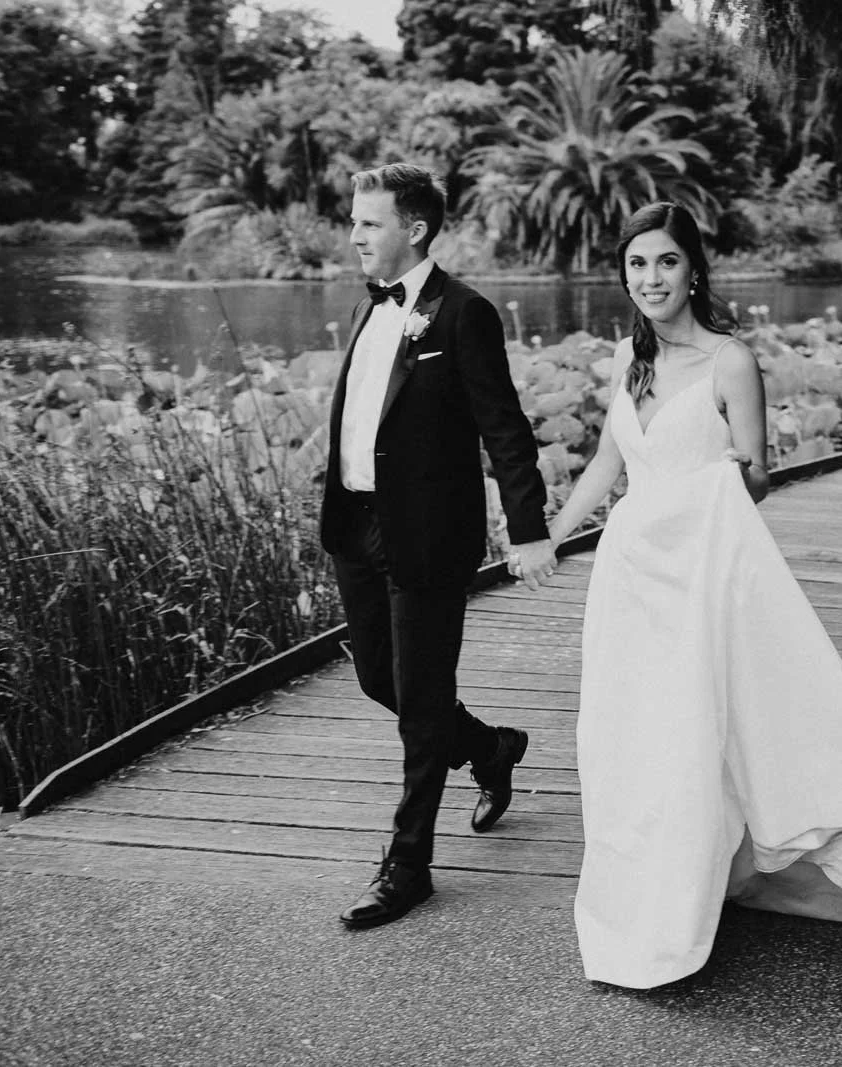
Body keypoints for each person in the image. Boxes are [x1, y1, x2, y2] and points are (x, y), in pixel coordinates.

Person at [547, 202, 842, 989]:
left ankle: (698, 888)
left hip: (700, 572)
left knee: (700, 722)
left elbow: (755, 477)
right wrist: (548, 536)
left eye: (665, 262)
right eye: (637, 265)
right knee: (632, 729)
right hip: (631, 575)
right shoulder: (628, 357)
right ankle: (658, 876)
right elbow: (605, 466)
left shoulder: (731, 360)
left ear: (694, 269)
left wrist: (715, 485)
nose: (650, 279)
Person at [321, 163, 557, 929]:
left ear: (413, 229)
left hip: (426, 532)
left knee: (420, 701)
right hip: (356, 524)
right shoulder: (370, 308)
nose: (354, 234)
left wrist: (526, 529)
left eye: (368, 222)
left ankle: (407, 865)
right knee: (378, 677)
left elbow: (505, 428)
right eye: (354, 221)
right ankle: (491, 748)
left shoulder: (462, 315)